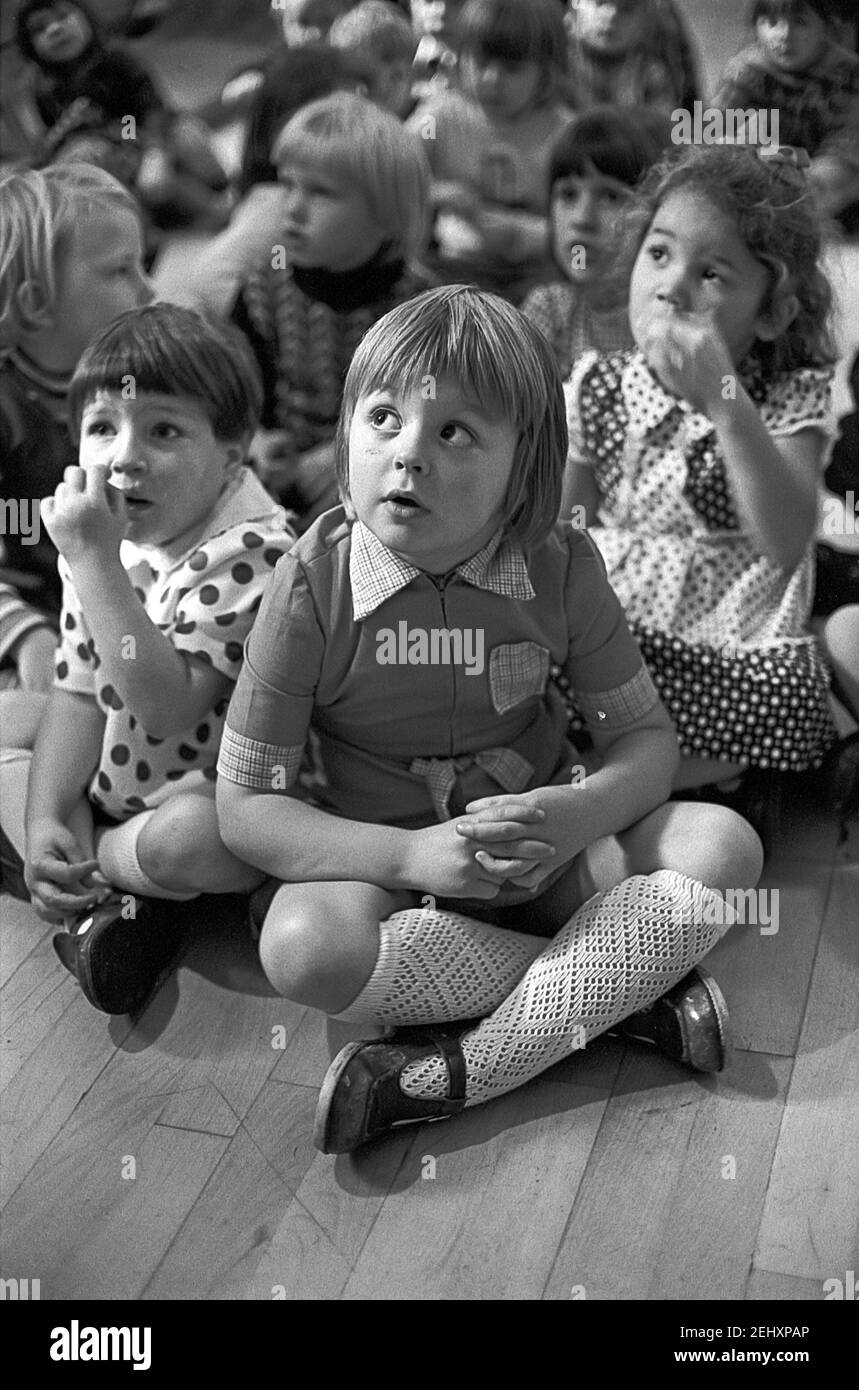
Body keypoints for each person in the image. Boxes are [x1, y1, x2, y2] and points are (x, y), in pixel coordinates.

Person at [216, 285, 763, 1155]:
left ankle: (444, 1075)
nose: (407, 456)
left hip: (544, 851)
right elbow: (245, 809)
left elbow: (644, 742)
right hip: (380, 877)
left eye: (455, 432)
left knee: (724, 847)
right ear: (346, 433)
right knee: (302, 949)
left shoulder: (561, 563)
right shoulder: (306, 586)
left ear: (525, 471)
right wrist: (404, 855)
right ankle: (620, 998)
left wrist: (576, 813)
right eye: (383, 418)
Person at [0, 304, 295, 1016]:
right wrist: (45, 818)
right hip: (119, 774)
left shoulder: (254, 552)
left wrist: (95, 561)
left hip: (220, 797)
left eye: (162, 430)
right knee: (10, 719)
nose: (122, 456)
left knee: (184, 840)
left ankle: (99, 882)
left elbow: (167, 709)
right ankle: (85, 889)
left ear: (231, 456)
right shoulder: (105, 533)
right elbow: (77, 690)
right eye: (102, 427)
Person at [564, 144, 839, 795]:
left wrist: (724, 400)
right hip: (615, 623)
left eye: (711, 275)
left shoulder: (781, 398)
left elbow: (786, 539)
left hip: (723, 633)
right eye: (657, 254)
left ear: (771, 313)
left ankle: (636, 785)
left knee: (786, 695)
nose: (672, 286)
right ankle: (621, 777)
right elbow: (565, 524)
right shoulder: (597, 384)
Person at [0, 164, 152, 749]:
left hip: (128, 618)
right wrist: (24, 635)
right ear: (37, 303)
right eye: (120, 271)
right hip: (32, 629)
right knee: (28, 726)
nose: (147, 290)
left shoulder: (140, 386)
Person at [232, 92, 432, 525]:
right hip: (275, 467)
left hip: (371, 463)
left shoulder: (418, 309)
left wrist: (341, 455)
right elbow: (234, 384)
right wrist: (258, 440)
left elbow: (422, 412)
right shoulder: (264, 284)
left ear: (386, 214)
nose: (294, 208)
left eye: (320, 193)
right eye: (287, 184)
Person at [407, 0, 574, 303]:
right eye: (481, 63)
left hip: (536, 277)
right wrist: (438, 192)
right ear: (459, 58)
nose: (491, 80)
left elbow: (581, 226)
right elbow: (393, 172)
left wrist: (525, 234)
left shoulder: (565, 134)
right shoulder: (440, 117)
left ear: (547, 71)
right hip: (451, 271)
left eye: (512, 69)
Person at [15, 0, 230, 231]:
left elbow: (150, 109)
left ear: (85, 18)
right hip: (114, 153)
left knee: (189, 139)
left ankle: (207, 195)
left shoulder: (117, 60)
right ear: (30, 47)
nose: (55, 29)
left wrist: (152, 151)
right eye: (40, 29)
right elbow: (56, 142)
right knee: (81, 158)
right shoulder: (43, 88)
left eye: (63, 17)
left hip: (148, 132)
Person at [521, 105, 670, 380]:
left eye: (610, 197)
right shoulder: (552, 312)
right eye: (568, 195)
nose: (582, 219)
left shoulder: (668, 321)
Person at [713, 0, 859, 229]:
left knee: (834, 177)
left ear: (827, 26)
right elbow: (714, 132)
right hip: (768, 165)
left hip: (826, 181)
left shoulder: (847, 76)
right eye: (771, 22)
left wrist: (800, 168)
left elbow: (848, 143)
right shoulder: (746, 72)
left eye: (799, 23)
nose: (784, 35)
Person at [566, 0, 700, 115]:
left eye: (626, 9)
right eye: (600, 2)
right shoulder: (560, 63)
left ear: (646, 24)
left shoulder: (650, 73)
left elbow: (661, 128)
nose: (611, 15)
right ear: (574, 6)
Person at [329, 0, 418, 118]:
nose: (356, 92)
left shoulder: (427, 125)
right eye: (348, 81)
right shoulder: (340, 123)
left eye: (364, 81)